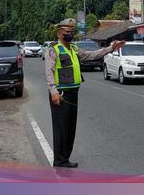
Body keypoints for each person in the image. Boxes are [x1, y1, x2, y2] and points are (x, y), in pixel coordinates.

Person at [45, 18, 125, 168]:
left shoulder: (73, 48)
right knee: (61, 128)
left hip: (73, 93)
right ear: (59, 33)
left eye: (72, 32)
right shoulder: (53, 49)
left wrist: (110, 48)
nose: (70, 34)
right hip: (61, 94)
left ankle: (65, 158)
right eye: (67, 32)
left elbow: (91, 55)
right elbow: (49, 72)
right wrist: (53, 91)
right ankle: (59, 160)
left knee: (70, 128)